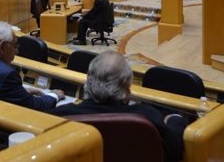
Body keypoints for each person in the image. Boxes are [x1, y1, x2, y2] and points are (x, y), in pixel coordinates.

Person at [51, 51, 186, 162]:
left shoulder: (60, 115)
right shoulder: (146, 117)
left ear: (88, 80)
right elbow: (175, 151)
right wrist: (175, 119)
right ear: (127, 87)